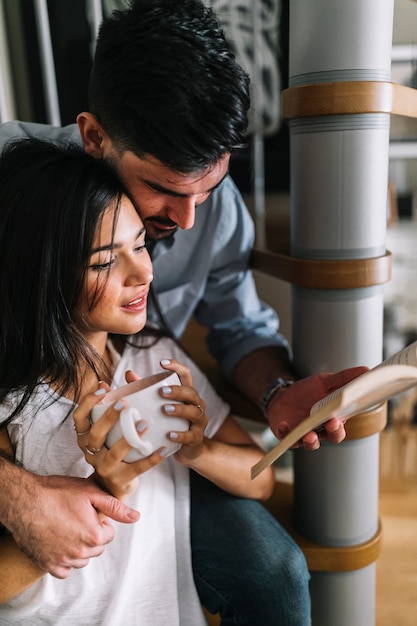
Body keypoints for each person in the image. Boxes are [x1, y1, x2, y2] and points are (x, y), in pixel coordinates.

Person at [0, 0, 366, 619]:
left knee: (276, 575)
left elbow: (240, 329)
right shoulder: (13, 192)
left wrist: (276, 391)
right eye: (166, 190)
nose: (189, 221)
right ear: (94, 137)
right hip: (27, 451)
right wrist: (14, 493)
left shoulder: (205, 221)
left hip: (158, 463)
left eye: (209, 187)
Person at [0, 138, 296, 625]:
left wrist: (199, 450)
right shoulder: (15, 405)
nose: (142, 272)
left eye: (139, 245)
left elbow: (260, 479)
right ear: (41, 277)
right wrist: (104, 485)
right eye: (103, 261)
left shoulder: (155, 357)